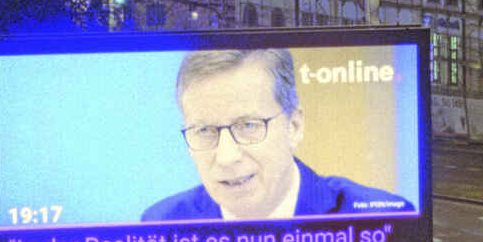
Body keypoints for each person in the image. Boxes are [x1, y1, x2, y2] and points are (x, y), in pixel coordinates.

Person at [142, 47, 413, 221]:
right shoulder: (161, 223)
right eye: (204, 130)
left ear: (294, 126)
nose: (226, 157)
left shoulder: (383, 218)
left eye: (249, 126)